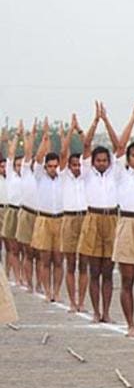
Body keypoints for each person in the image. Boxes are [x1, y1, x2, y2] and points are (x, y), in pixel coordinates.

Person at [103, 100, 134, 338]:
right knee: (127, 279)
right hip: (127, 223)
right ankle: (130, 324)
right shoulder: (121, 173)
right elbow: (119, 145)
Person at [77, 103, 119, 323]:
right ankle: (95, 311)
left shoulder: (115, 173)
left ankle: (107, 312)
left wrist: (107, 121)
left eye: (105, 160)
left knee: (108, 272)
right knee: (95, 270)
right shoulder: (88, 174)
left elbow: (119, 146)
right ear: (93, 162)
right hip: (92, 219)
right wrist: (95, 121)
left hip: (112, 218)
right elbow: (86, 144)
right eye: (98, 160)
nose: (102, 163)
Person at [28, 119, 65, 303]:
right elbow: (37, 158)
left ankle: (57, 291)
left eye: (55, 166)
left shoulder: (63, 178)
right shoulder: (39, 176)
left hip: (60, 220)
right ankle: (47, 290)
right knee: (44, 259)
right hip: (43, 219)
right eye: (49, 166)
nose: (52, 169)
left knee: (58, 260)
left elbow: (65, 154)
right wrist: (44, 138)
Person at [59, 114, 89, 312]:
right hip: (69, 219)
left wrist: (81, 131)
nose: (77, 168)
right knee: (70, 263)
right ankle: (72, 301)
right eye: (74, 165)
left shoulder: (87, 175)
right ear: (69, 166)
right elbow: (63, 153)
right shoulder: (65, 177)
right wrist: (70, 131)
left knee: (84, 264)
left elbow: (88, 149)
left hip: (86, 218)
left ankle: (82, 301)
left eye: (79, 164)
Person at [16, 121, 40, 293]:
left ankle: (39, 283)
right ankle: (28, 282)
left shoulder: (39, 174)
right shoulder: (24, 171)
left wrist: (43, 136)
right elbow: (28, 152)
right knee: (27, 252)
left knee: (38, 253)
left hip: (38, 216)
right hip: (25, 213)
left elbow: (38, 155)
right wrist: (28, 135)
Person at [3, 128, 24, 285]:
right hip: (11, 211)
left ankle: (23, 275)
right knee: (12, 247)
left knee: (25, 249)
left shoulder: (29, 177)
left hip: (24, 212)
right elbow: (10, 154)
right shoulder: (11, 174)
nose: (19, 167)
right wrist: (17, 136)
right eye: (17, 165)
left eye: (21, 165)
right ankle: (14, 275)